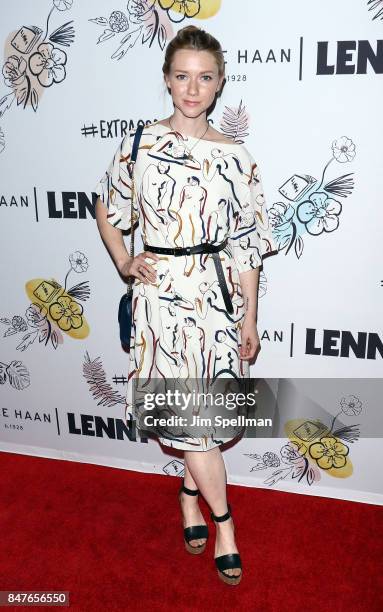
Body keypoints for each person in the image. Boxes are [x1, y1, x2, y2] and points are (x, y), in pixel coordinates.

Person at [94, 25, 278, 586]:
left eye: (204, 77)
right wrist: (126, 260)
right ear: (167, 80)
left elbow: (247, 246)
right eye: (181, 76)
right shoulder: (140, 145)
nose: (192, 88)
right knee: (194, 425)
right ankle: (223, 522)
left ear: (221, 83)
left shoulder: (238, 158)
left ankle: (188, 494)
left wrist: (249, 315)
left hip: (215, 298)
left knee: (210, 419)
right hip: (159, 301)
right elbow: (107, 206)